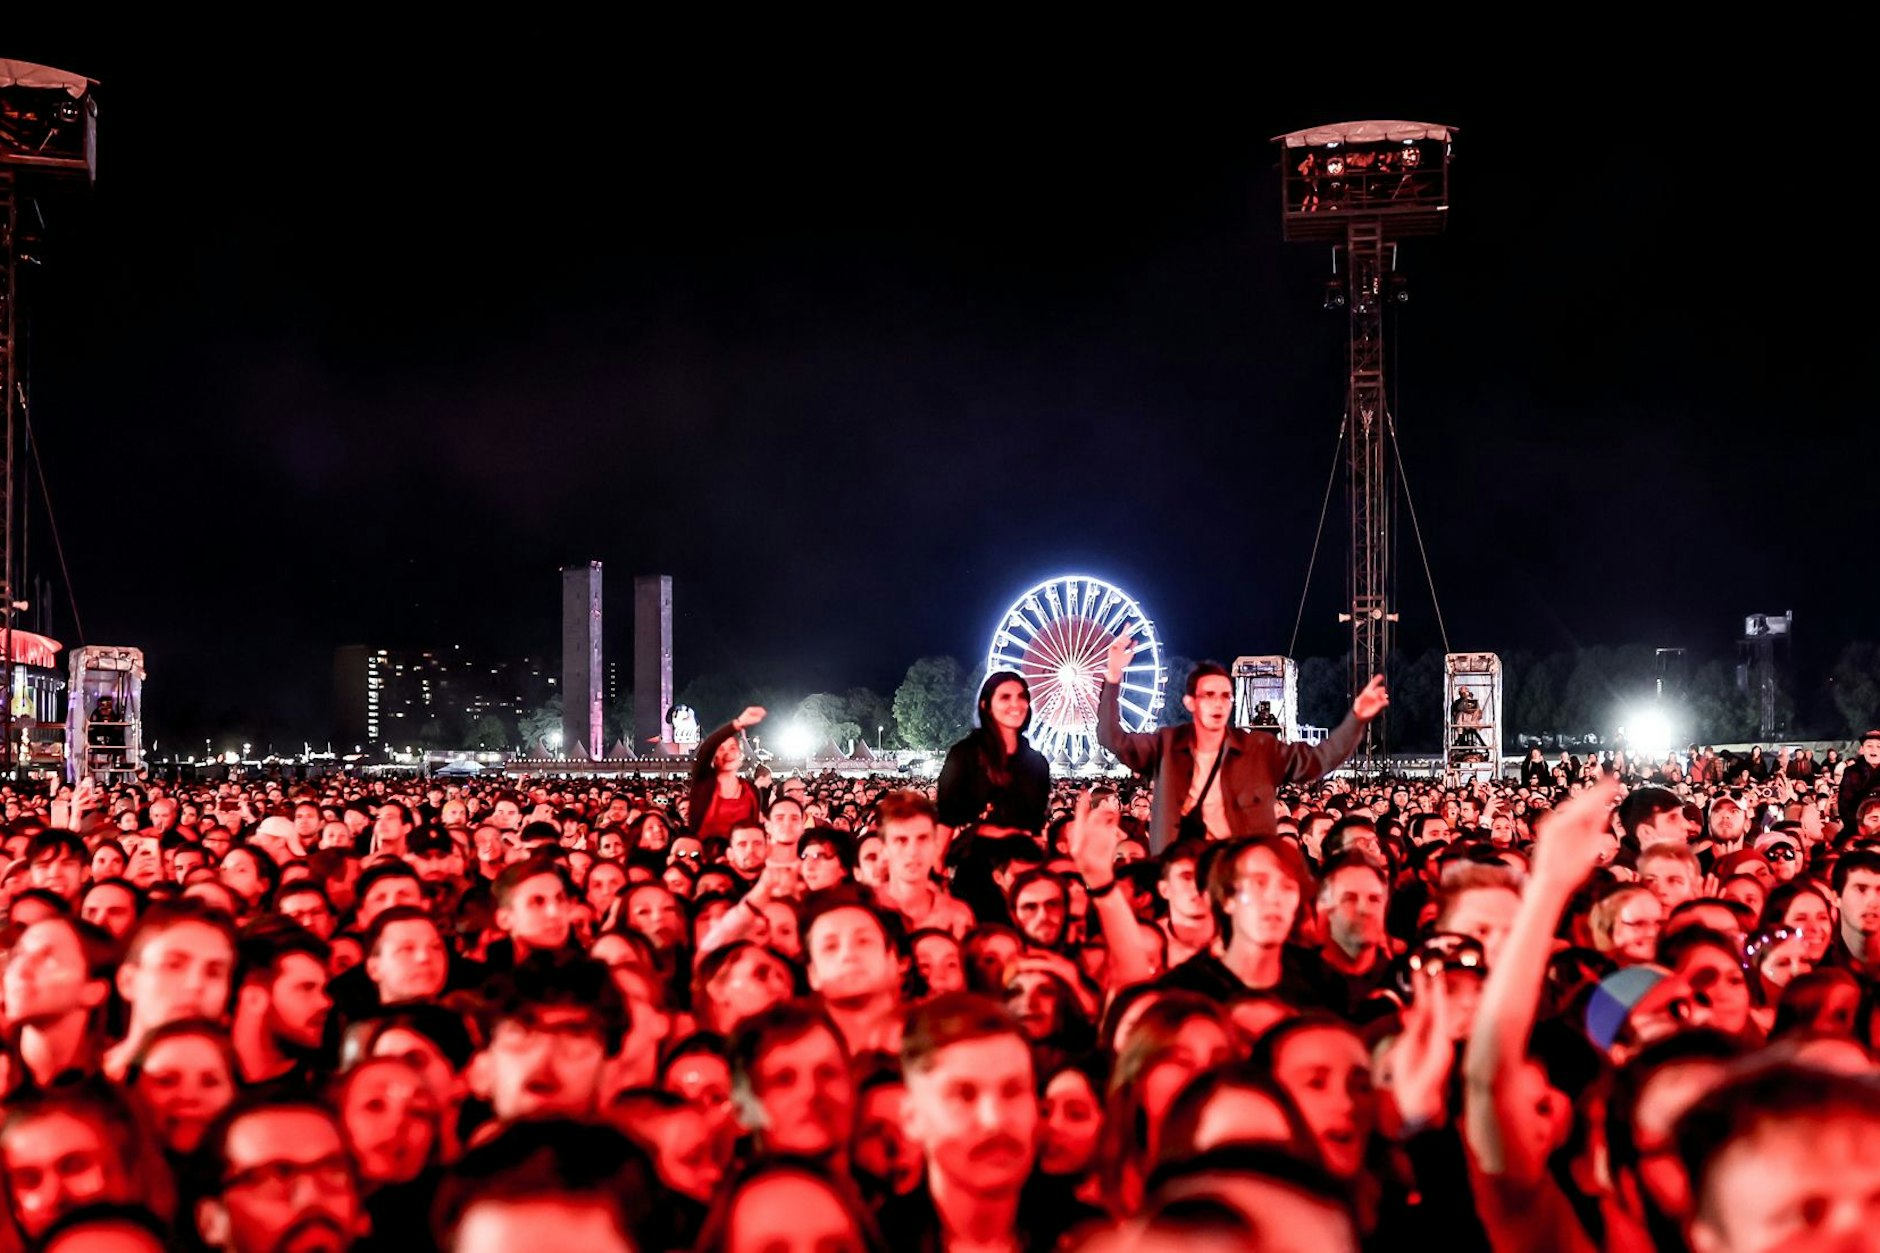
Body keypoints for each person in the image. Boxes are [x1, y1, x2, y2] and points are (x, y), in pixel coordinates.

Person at [1097, 642, 1387, 851]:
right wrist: (1112, 679)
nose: (1218, 702)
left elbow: (1319, 760)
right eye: (1208, 694)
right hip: (1182, 875)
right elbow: (1114, 739)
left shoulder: (1258, 748)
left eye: (1225, 696)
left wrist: (1356, 719)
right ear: (1190, 703)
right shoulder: (1166, 744)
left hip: (1240, 877)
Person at [936, 672, 1051, 845]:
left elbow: (1036, 824)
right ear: (986, 705)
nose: (1016, 704)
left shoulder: (1037, 763)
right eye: (1005, 697)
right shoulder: (964, 755)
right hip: (978, 860)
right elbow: (946, 819)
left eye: (1022, 697)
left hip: (1024, 862)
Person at [690, 707, 768, 842]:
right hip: (706, 859)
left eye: (733, 748)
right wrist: (737, 724)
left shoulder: (750, 791)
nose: (727, 754)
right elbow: (707, 748)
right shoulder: (704, 783)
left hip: (740, 859)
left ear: (741, 754)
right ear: (714, 757)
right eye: (721, 749)